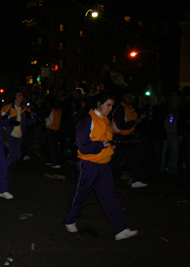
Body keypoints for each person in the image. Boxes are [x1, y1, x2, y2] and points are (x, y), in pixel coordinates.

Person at [63, 91, 139, 241]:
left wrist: (110, 147)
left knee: (109, 196)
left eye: (111, 105)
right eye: (108, 105)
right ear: (99, 104)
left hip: (103, 165)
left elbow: (105, 140)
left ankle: (121, 229)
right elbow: (82, 144)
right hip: (89, 164)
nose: (110, 108)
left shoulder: (105, 119)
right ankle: (69, 220)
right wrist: (100, 145)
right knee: (81, 193)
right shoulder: (87, 119)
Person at [111, 90, 147, 188]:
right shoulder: (121, 108)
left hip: (128, 137)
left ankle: (136, 180)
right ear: (123, 98)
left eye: (131, 96)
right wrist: (135, 122)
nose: (130, 99)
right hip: (120, 137)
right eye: (128, 96)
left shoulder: (130, 107)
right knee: (115, 160)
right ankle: (106, 179)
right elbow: (121, 125)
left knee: (133, 158)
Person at [1, 88, 34, 172]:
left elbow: (30, 124)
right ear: (14, 96)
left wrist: (29, 117)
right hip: (9, 136)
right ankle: (3, 171)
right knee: (17, 155)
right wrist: (10, 122)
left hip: (19, 137)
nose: (21, 97)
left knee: (11, 156)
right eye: (19, 95)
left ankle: (3, 175)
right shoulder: (7, 108)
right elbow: (1, 121)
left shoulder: (25, 110)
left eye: (22, 95)